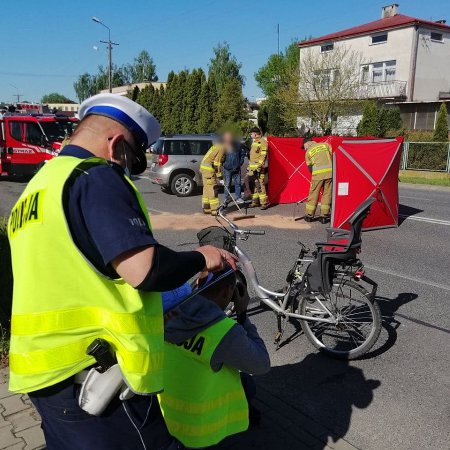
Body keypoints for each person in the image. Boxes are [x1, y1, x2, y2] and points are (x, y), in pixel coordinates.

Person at [7, 93, 237, 450]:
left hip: (43, 373)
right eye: (132, 161)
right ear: (116, 146)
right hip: (94, 378)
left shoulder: (39, 186)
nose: (128, 171)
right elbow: (145, 270)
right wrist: (202, 256)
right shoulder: (95, 176)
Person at [159, 268, 270, 449]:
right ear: (228, 292)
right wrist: (242, 316)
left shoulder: (167, 310)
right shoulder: (223, 331)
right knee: (248, 384)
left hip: (165, 414)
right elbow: (262, 364)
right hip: (202, 432)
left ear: (198, 284)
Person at [304, 140, 333, 224]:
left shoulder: (308, 152)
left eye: (305, 147)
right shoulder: (325, 145)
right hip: (329, 173)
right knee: (327, 194)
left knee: (314, 193)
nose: (305, 149)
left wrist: (315, 176)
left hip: (317, 175)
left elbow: (310, 168)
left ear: (308, 144)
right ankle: (324, 216)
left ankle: (309, 215)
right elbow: (334, 154)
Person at [200, 139, 225, 215]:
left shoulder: (215, 146)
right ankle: (215, 210)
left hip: (203, 168)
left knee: (207, 188)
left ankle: (206, 208)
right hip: (209, 171)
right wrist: (220, 177)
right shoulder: (221, 148)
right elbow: (217, 164)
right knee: (212, 189)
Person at [247, 127, 269, 210]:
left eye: (251, 133)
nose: (251, 135)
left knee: (260, 185)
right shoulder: (254, 142)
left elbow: (263, 155)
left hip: (258, 169)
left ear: (256, 134)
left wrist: (259, 167)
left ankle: (264, 203)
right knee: (255, 185)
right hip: (252, 169)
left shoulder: (262, 142)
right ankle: (255, 202)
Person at [222, 131, 245, 205]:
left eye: (229, 137)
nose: (228, 139)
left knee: (238, 183)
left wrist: (240, 163)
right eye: (226, 137)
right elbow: (220, 156)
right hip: (227, 169)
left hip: (237, 168)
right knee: (227, 184)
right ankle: (227, 198)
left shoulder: (237, 144)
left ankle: (238, 197)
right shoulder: (223, 146)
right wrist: (224, 164)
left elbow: (242, 154)